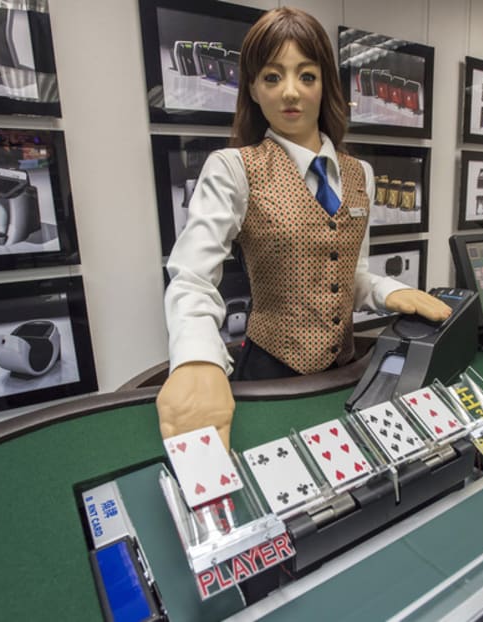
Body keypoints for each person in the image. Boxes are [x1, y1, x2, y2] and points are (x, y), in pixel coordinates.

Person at [156, 7, 451, 449]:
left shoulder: (360, 174)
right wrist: (197, 359)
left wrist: (388, 291)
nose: (290, 92)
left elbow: (349, 273)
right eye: (272, 77)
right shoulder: (234, 169)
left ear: (325, 84)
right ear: (253, 89)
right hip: (270, 376)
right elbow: (193, 278)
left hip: (346, 374)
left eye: (306, 76)